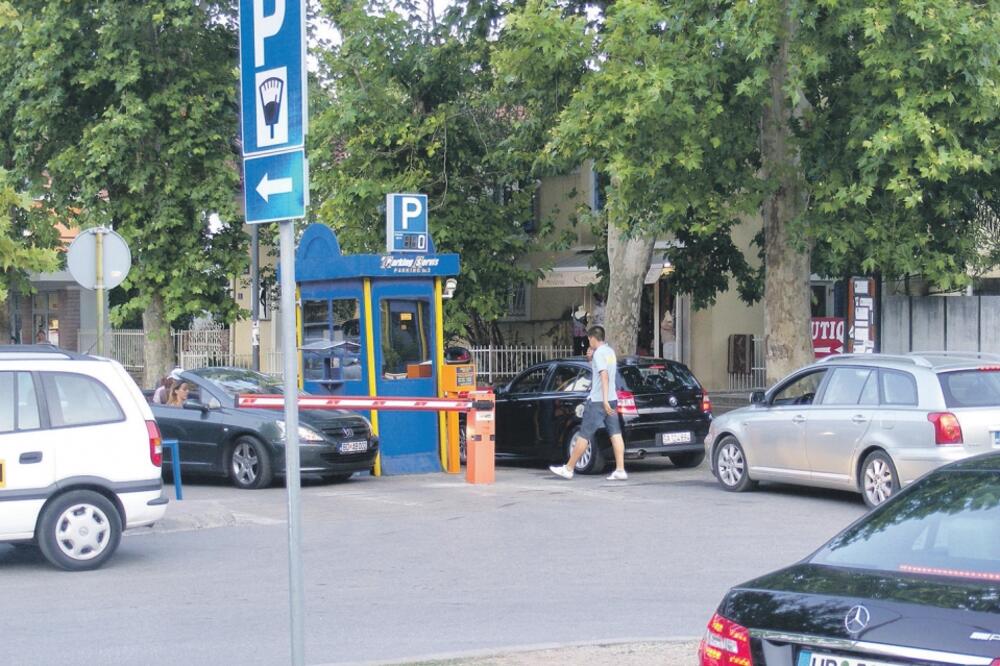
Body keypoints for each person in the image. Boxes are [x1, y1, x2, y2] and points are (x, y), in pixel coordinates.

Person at [550, 325, 628, 481]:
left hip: (599, 401)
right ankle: (620, 469)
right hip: (612, 398)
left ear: (592, 338)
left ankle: (569, 468)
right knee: (615, 434)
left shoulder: (599, 353)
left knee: (584, 435)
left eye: (588, 339)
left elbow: (604, 376)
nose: (588, 342)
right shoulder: (610, 352)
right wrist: (591, 359)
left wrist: (604, 400)